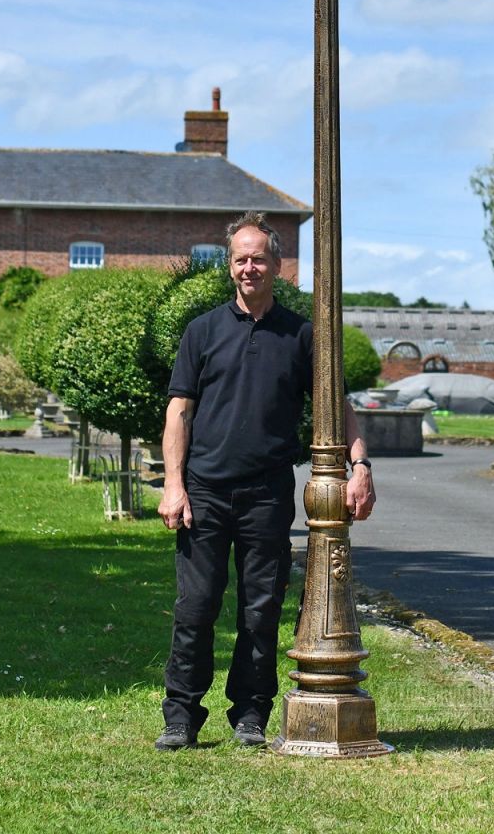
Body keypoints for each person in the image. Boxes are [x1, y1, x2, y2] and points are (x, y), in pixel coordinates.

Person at [155, 210, 375, 751]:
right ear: (229, 267)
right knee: (196, 607)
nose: (248, 267)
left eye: (258, 258)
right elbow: (179, 412)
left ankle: (250, 714)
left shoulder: (302, 337)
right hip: (204, 492)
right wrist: (173, 484)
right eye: (239, 259)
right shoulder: (201, 331)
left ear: (278, 265)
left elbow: (337, 408)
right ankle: (181, 716)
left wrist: (361, 466)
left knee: (261, 609)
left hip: (267, 494)